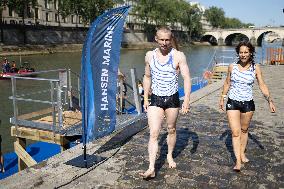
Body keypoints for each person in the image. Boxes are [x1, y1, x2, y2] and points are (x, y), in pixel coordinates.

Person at [140, 26, 191, 178]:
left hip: (172, 99)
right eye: (161, 39)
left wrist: (187, 99)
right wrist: (145, 98)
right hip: (155, 98)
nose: (164, 43)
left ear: (171, 39)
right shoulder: (149, 55)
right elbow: (147, 77)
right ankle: (151, 168)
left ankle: (169, 155)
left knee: (171, 129)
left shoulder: (179, 56)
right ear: (156, 39)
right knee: (154, 133)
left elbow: (187, 78)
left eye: (167, 39)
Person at [219, 41, 276, 172]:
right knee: (235, 132)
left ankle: (242, 153)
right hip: (232, 101)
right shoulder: (232, 66)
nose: (243, 55)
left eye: (246, 52)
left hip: (248, 103)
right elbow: (227, 82)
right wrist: (222, 97)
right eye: (241, 52)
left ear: (250, 53)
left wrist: (270, 100)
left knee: (244, 130)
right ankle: (238, 161)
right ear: (238, 53)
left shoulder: (255, 68)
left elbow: (262, 84)